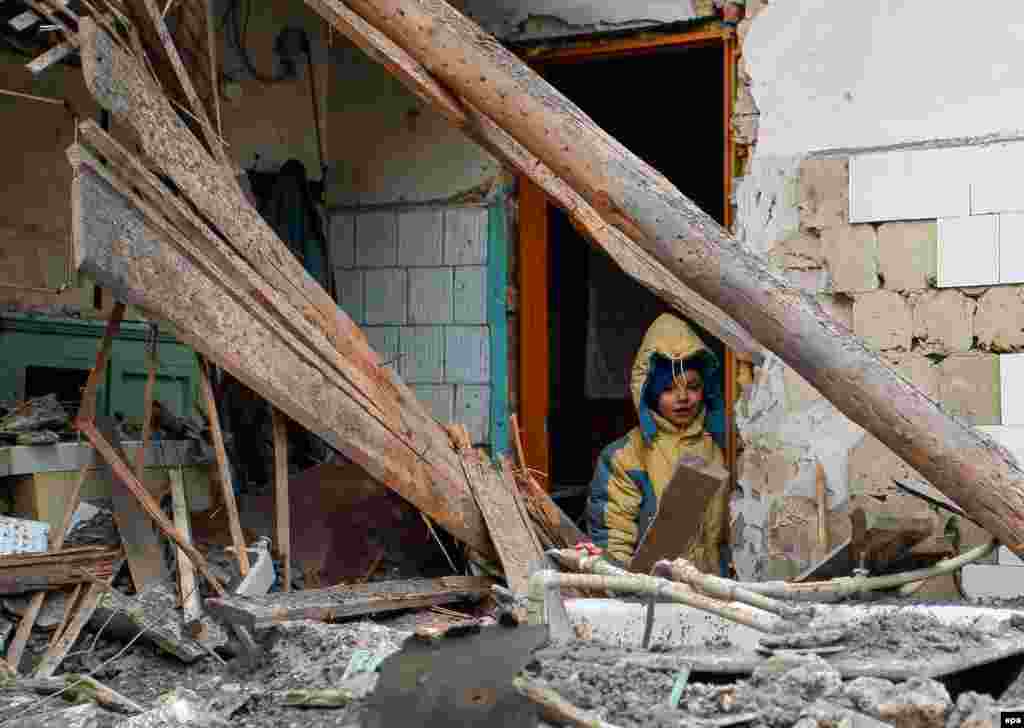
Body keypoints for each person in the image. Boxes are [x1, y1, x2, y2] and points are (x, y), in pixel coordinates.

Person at [587, 313, 730, 574]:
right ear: (649, 393)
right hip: (650, 601)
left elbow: (726, 539)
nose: (683, 398)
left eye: (693, 386)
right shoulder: (625, 457)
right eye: (669, 389)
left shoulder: (720, 449)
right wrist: (629, 598)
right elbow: (613, 548)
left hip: (713, 596)